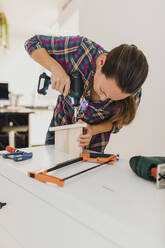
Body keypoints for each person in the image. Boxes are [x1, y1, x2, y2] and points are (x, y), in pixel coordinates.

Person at [24, 35, 148, 152]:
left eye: (111, 98)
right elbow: (33, 43)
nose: (102, 98)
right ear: (101, 62)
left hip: (94, 143)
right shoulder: (80, 49)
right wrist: (56, 69)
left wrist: (93, 130)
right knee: (52, 169)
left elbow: (118, 123)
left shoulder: (133, 92)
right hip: (60, 128)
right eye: (103, 90)